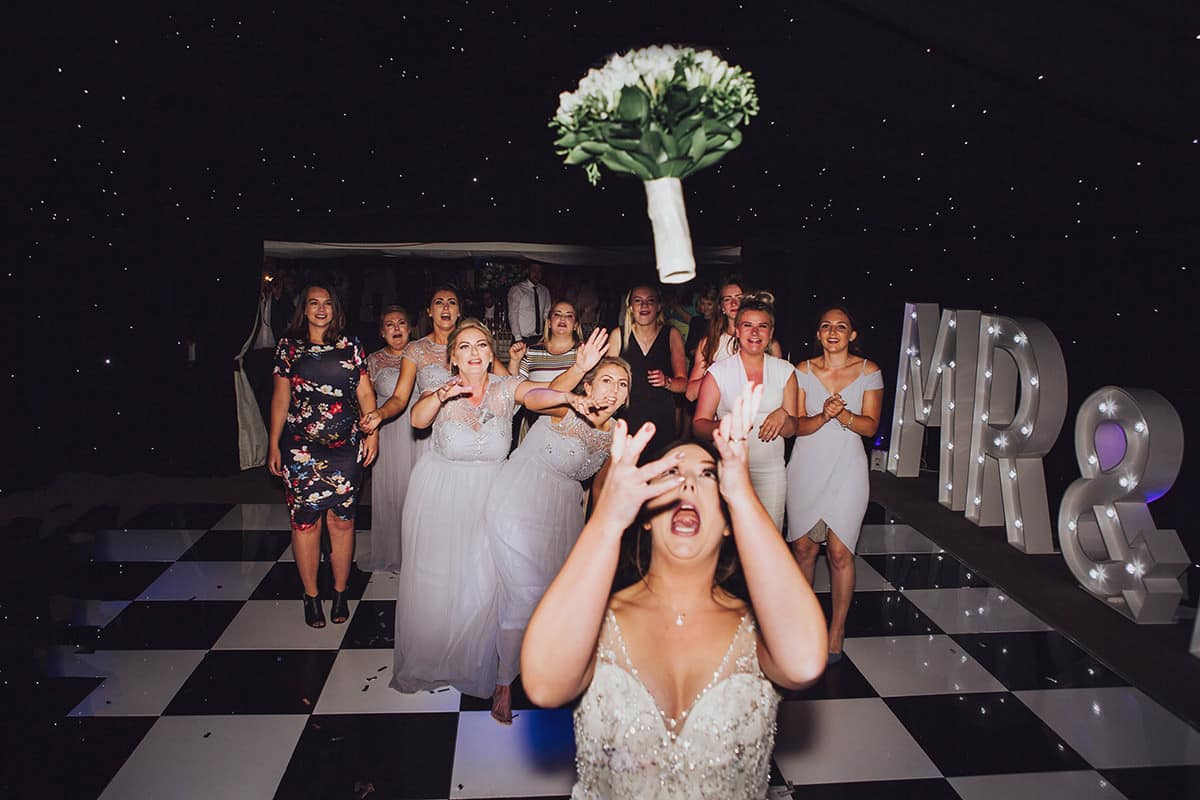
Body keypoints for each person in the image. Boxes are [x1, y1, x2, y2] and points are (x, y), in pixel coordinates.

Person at [522, 385, 827, 797]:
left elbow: (805, 663)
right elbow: (544, 685)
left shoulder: (762, 629)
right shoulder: (594, 618)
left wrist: (741, 493)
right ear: (645, 516)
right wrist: (608, 518)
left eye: (706, 475)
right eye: (670, 473)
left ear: (726, 520)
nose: (687, 484)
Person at [390, 321, 609, 700]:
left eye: (481, 346)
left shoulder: (506, 389)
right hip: (441, 491)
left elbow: (543, 395)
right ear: (454, 357)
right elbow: (416, 420)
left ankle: (474, 660)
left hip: (493, 492)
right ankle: (434, 657)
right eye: (465, 347)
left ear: (492, 354)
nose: (474, 353)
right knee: (439, 577)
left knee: (483, 581)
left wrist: (575, 380)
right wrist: (440, 395)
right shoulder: (439, 389)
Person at [486, 355, 631, 724]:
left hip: (563, 513)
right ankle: (504, 680)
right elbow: (537, 396)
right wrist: (577, 374)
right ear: (589, 385)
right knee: (526, 592)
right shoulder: (564, 404)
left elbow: (600, 487)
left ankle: (542, 667)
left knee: (552, 595)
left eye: (622, 384)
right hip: (518, 499)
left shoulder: (617, 432)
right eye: (607, 381)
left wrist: (596, 537)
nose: (613, 390)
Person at [268, 284, 379, 628]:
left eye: (327, 303)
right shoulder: (289, 347)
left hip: (346, 447)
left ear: (335, 309)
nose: (320, 309)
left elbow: (365, 391)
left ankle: (341, 591)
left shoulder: (351, 345)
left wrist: (372, 433)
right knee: (305, 523)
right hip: (301, 448)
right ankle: (312, 594)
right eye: (314, 303)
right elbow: (280, 398)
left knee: (343, 523)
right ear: (304, 309)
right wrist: (273, 443)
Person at [785, 306, 883, 663]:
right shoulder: (801, 371)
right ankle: (802, 624)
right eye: (825, 325)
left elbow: (870, 427)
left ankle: (836, 629)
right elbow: (796, 426)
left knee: (840, 552)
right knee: (805, 551)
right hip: (807, 464)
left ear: (852, 335)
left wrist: (843, 415)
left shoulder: (869, 371)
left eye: (841, 326)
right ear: (818, 333)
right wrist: (823, 415)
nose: (832, 331)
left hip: (848, 467)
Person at [359, 285, 522, 456]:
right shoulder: (415, 349)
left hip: (470, 435)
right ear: (429, 311)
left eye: (451, 302)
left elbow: (507, 391)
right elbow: (399, 398)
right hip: (431, 432)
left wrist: (515, 362)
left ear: (459, 312)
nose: (445, 307)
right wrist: (380, 413)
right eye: (439, 302)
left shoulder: (475, 344)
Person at [693, 292, 797, 529]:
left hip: (772, 473)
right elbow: (699, 425)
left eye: (762, 326)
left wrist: (784, 416)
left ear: (771, 333)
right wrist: (727, 426)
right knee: (729, 544)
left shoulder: (785, 371)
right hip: (730, 468)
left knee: (769, 541)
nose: (755, 332)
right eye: (748, 325)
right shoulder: (718, 372)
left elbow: (793, 430)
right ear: (737, 330)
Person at [605, 284, 687, 459]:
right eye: (638, 301)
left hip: (662, 420)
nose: (644, 306)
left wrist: (667, 382)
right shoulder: (619, 335)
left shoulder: (671, 334)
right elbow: (605, 382)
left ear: (658, 306)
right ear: (630, 307)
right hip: (627, 418)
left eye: (650, 301)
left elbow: (684, 384)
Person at [361, 305, 413, 572]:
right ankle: (393, 551)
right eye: (390, 324)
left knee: (419, 494)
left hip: (421, 433)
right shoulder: (373, 361)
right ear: (382, 332)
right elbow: (363, 399)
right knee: (392, 494)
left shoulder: (420, 354)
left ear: (410, 328)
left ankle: (420, 552)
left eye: (401, 323)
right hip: (389, 432)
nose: (396, 328)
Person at [685, 278, 782, 401]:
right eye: (727, 299)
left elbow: (778, 391)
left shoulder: (766, 343)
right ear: (721, 307)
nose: (734, 303)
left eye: (739, 298)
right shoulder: (709, 343)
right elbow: (690, 394)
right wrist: (717, 374)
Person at [517, 300, 583, 382]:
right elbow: (514, 386)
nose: (562, 318)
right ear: (549, 323)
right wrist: (514, 361)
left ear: (575, 325)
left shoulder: (584, 351)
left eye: (569, 316)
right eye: (557, 314)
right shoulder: (531, 351)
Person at [507, 262, 552, 344]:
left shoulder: (544, 290)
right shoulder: (517, 289)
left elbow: (547, 314)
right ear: (528, 271)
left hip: (539, 338)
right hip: (522, 338)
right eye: (534, 270)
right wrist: (518, 338)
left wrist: (548, 334)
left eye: (539, 271)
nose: (536, 274)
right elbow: (513, 315)